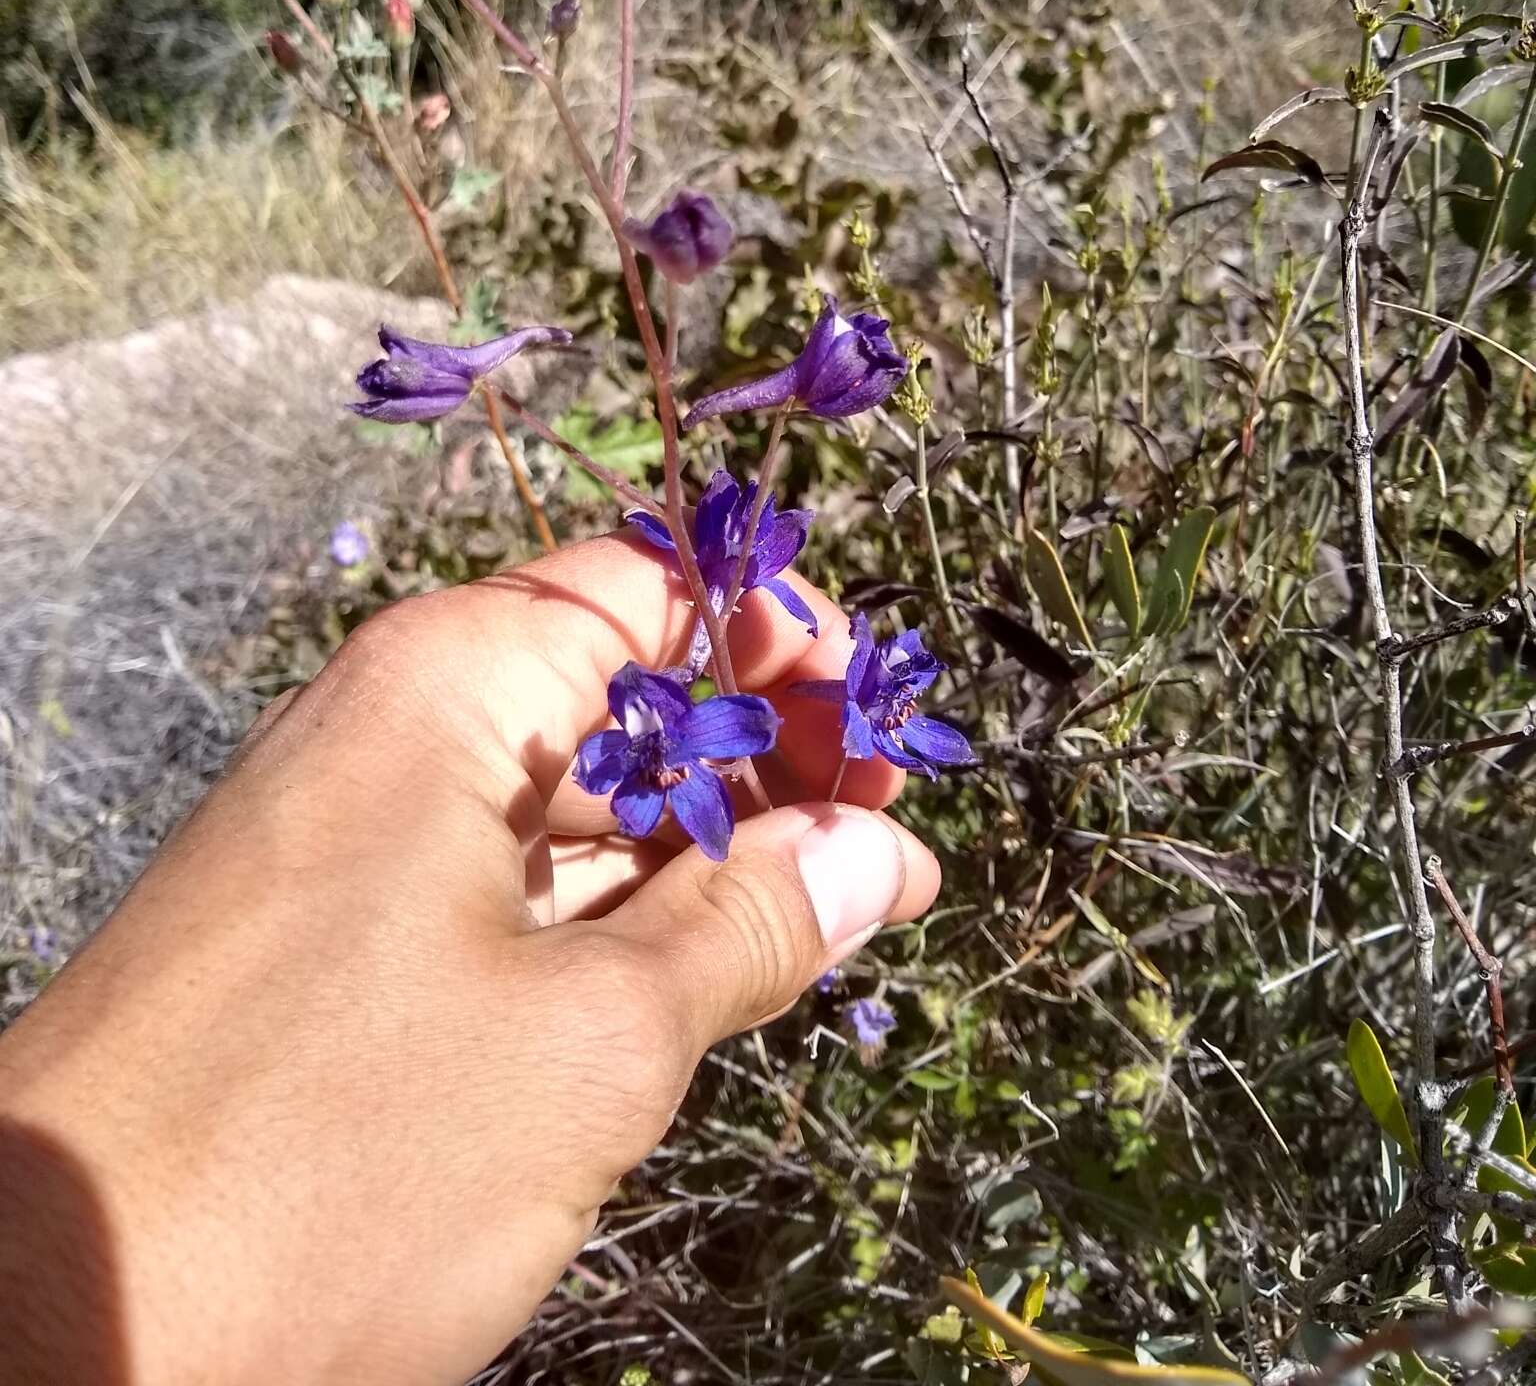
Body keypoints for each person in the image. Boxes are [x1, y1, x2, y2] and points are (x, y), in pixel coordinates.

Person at [0, 533, 941, 1384]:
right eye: (647, 735)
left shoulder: (713, 744)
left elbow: (719, 750)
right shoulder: (666, 757)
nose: (658, 751)